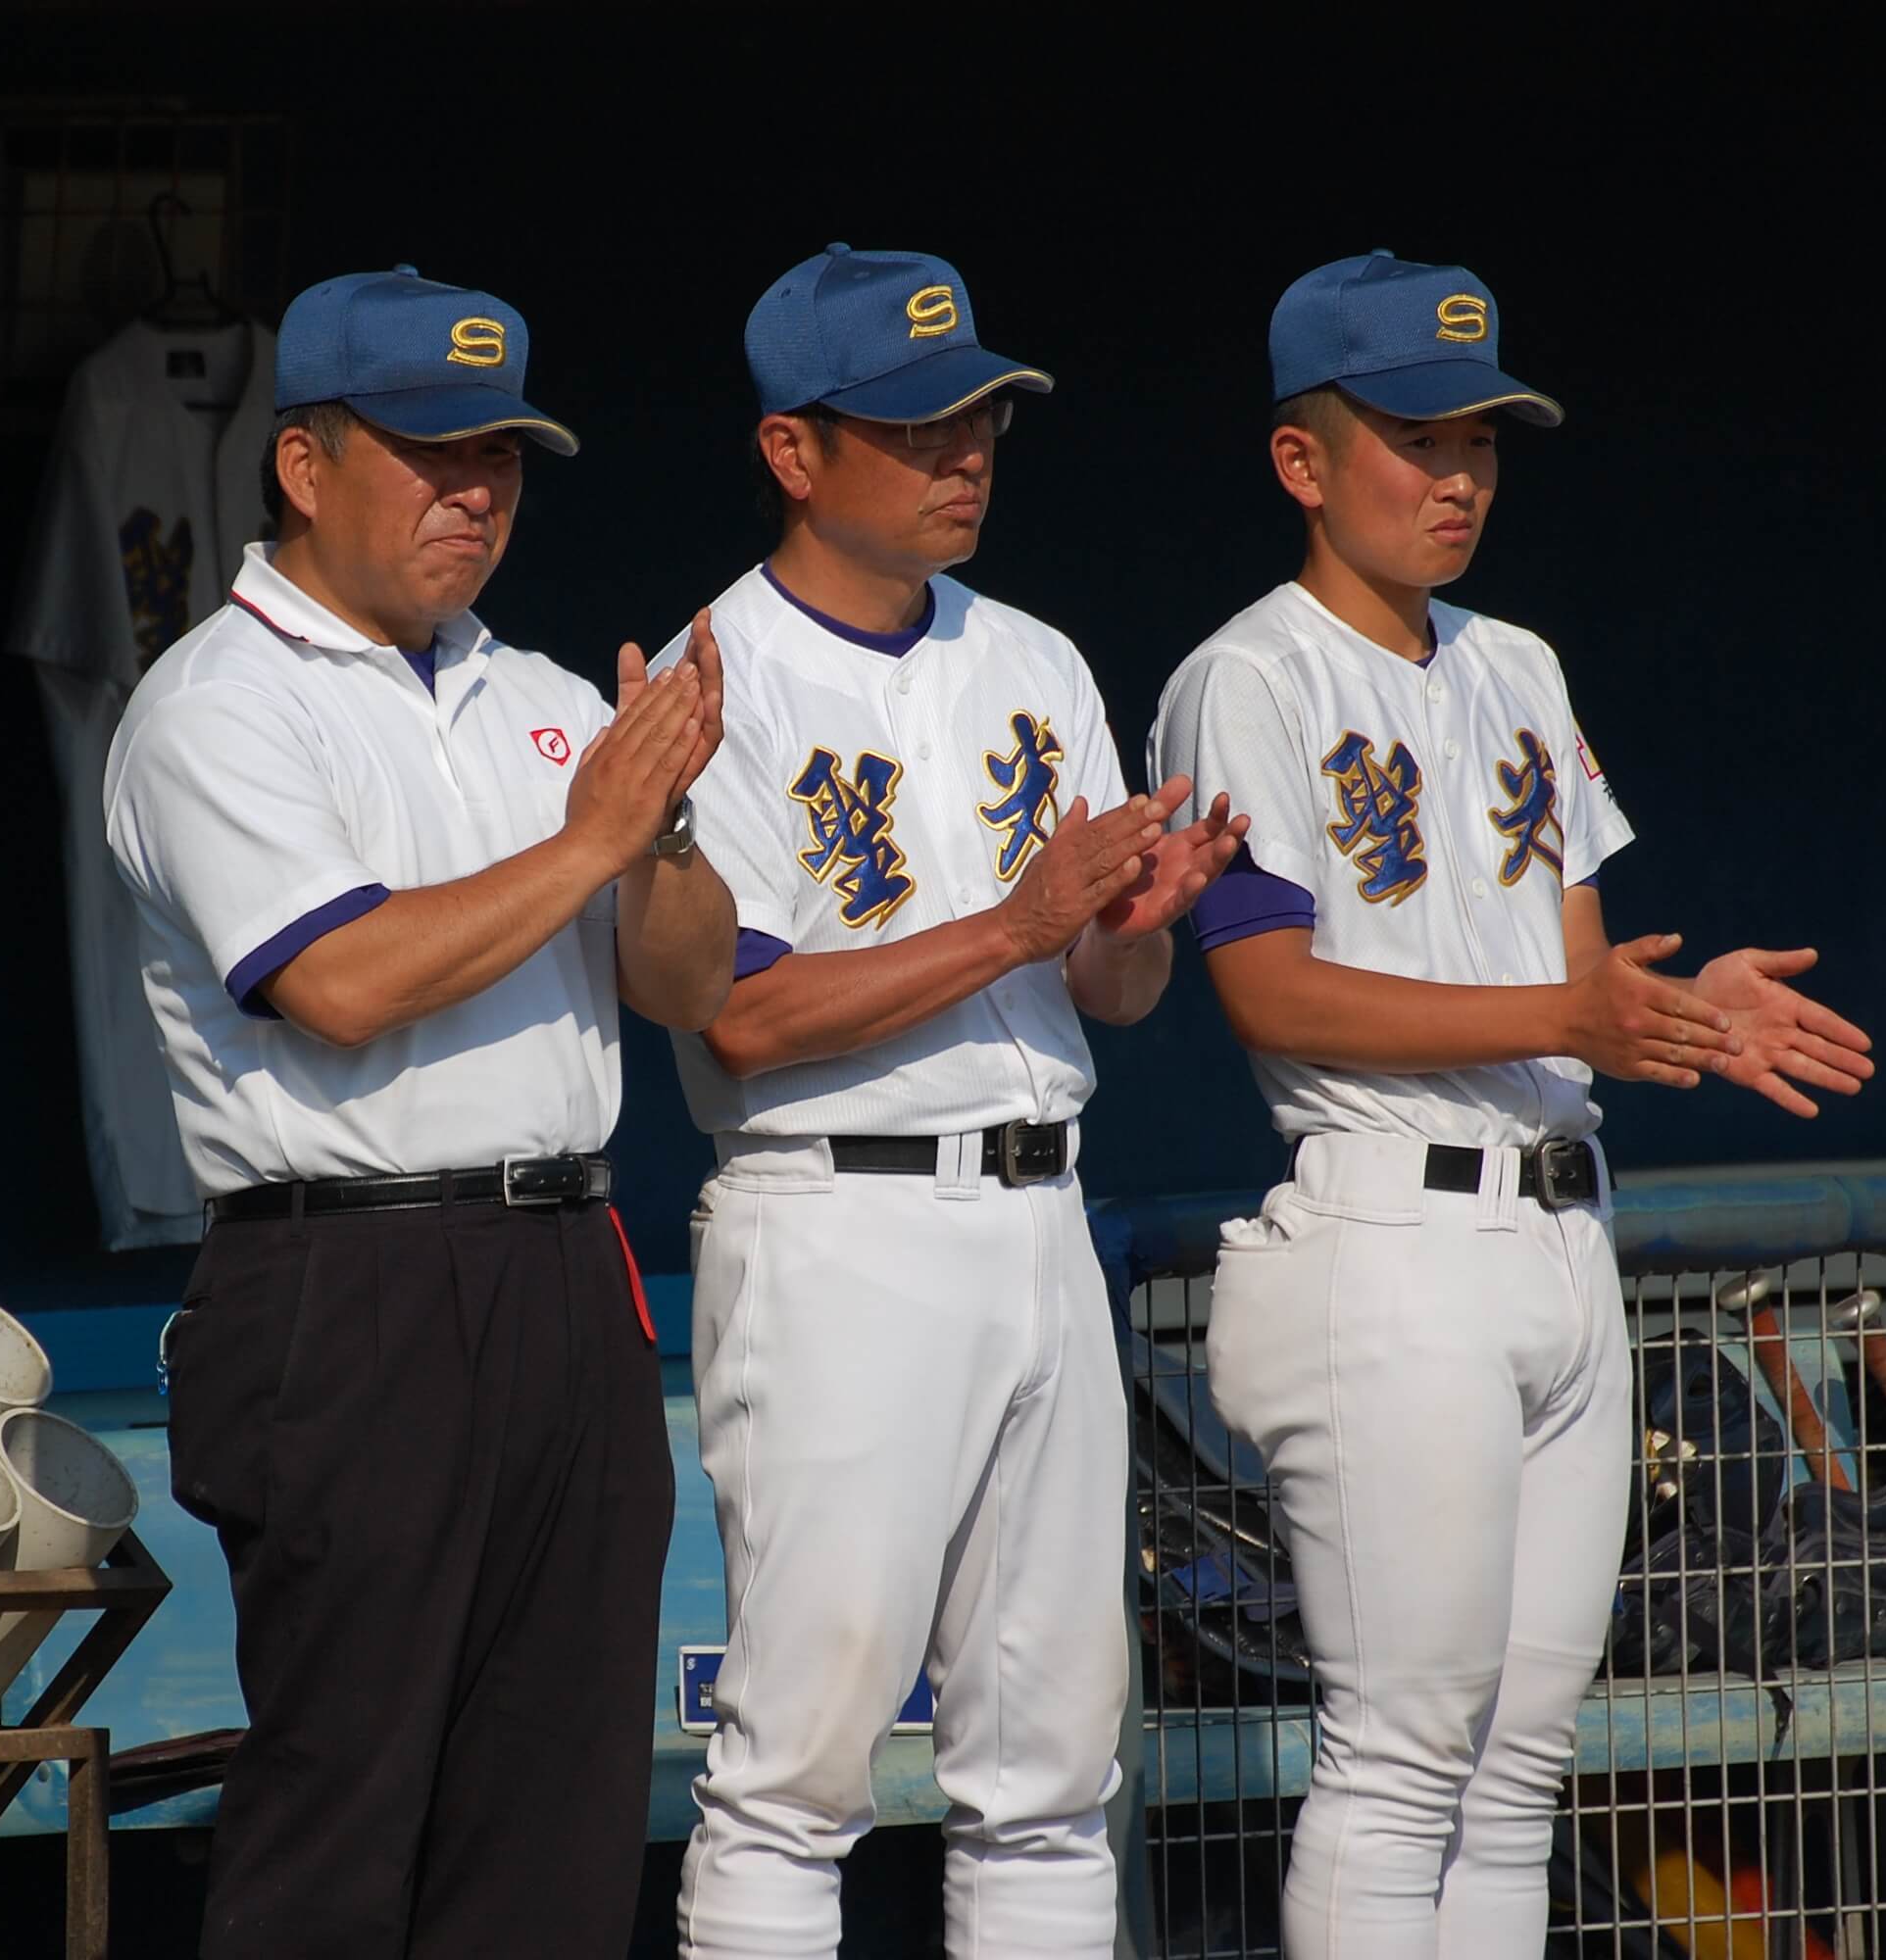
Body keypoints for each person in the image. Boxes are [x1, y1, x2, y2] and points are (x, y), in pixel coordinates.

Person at [1148, 250, 1879, 1960]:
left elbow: (1574, 978)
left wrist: (1677, 1013)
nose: (1459, 473)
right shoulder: (1247, 677)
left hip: (1562, 1234)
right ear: (1302, 460)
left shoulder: (1519, 663)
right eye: (1415, 436)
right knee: (1403, 1754)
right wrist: (1579, 1005)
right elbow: (1266, 989)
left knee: (1520, 1764)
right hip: (1392, 1230)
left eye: (1482, 437)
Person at [105, 265, 740, 1959]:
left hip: (559, 1259)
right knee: (345, 1807)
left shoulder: (535, 695)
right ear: (307, 467)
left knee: (556, 1808)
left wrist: (660, 826)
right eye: (430, 456)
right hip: (347, 1282)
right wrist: (596, 837)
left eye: (502, 462)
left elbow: (688, 983)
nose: (474, 495)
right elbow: (344, 983)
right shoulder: (216, 703)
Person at [660, 243, 1243, 1960]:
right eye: (917, 426)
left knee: (1057, 1773)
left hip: (1040, 1214)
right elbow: (743, 1017)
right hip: (838, 1222)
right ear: (794, 451)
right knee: (798, 1771)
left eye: (980, 417)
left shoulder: (1037, 658)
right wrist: (1025, 920)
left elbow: (1104, 993)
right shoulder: (721, 676)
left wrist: (1136, 932)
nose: (964, 452)